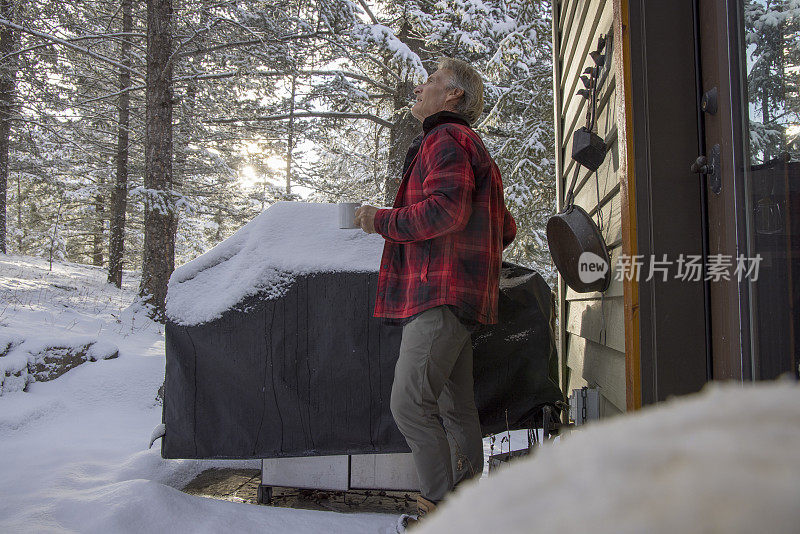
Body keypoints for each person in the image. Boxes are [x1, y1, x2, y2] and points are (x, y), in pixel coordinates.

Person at [354, 57, 516, 525]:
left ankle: (439, 511)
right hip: (463, 298)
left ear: (453, 96)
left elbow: (445, 211)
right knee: (455, 407)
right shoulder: (472, 146)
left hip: (440, 296)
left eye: (431, 81)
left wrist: (380, 219)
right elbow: (504, 228)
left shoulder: (445, 138)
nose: (421, 88)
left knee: (408, 404)